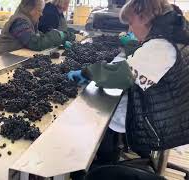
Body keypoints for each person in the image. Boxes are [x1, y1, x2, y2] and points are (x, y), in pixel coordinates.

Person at [68, 0, 189, 163]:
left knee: (104, 121)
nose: (130, 29)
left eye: (131, 23)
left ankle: (102, 165)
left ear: (143, 17)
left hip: (163, 126)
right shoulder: (169, 37)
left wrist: (88, 72)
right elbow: (137, 64)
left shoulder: (161, 47)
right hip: (170, 115)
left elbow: (121, 77)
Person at [0, 0, 81, 58]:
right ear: (30, 10)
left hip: (12, 59)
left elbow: (40, 36)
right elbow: (36, 43)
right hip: (0, 61)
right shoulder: (19, 22)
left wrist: (59, 41)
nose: (41, 14)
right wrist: (59, 35)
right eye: (39, 11)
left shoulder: (29, 21)